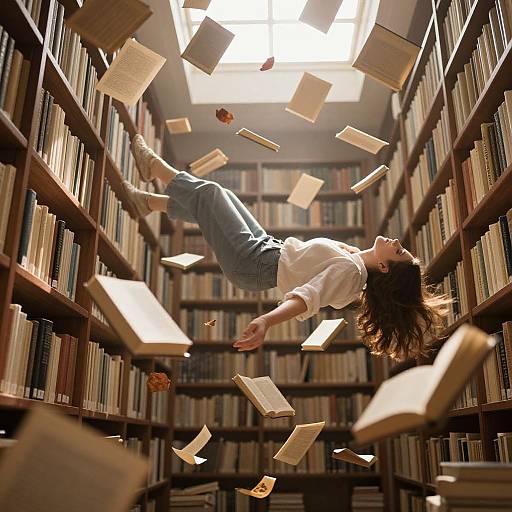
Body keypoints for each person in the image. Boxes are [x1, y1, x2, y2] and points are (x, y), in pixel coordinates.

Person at [124, 135, 447, 360]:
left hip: (254, 262)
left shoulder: (351, 272)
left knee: (210, 195)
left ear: (387, 267)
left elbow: (308, 296)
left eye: (400, 252)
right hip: (265, 248)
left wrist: (266, 321)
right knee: (220, 199)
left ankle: (153, 169)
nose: (397, 243)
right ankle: (148, 203)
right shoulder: (355, 262)